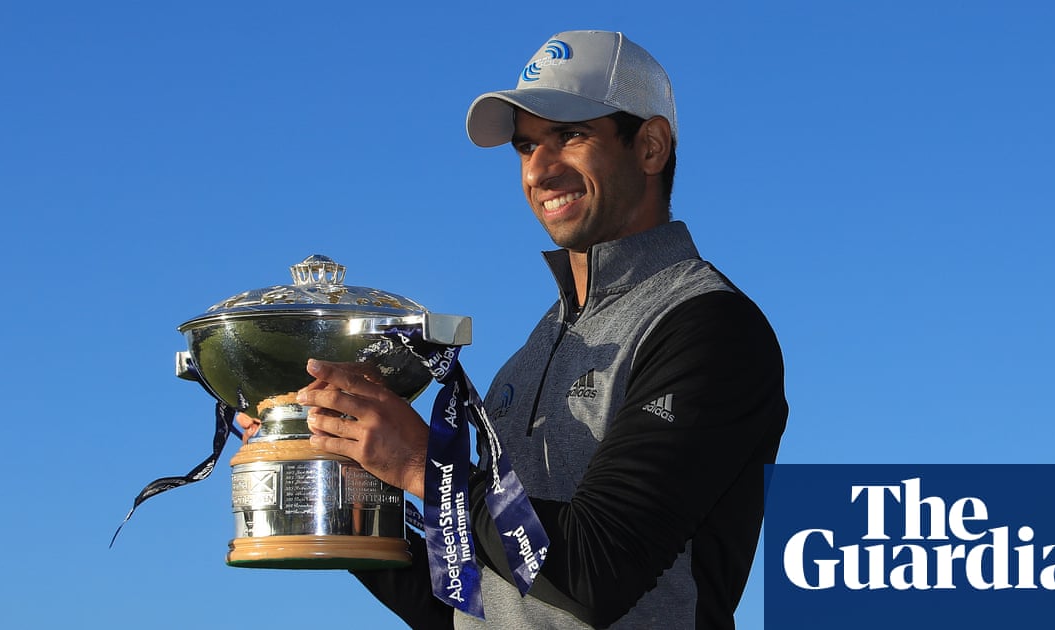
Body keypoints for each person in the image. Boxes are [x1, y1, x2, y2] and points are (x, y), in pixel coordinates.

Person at [239, 30, 786, 629]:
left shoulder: (707, 325)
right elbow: (467, 605)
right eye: (526, 147)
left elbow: (596, 569)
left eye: (570, 135)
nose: (541, 170)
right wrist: (342, 480)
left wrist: (423, 465)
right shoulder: (531, 354)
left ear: (651, 146)